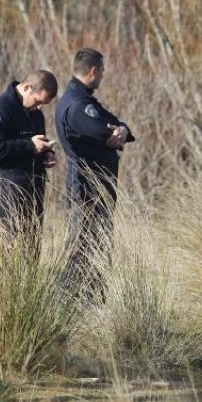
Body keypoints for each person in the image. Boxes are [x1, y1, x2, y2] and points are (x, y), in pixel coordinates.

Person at [55, 48, 135, 294]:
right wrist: (117, 133)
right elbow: (105, 132)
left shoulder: (83, 100)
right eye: (101, 72)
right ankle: (69, 301)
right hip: (88, 188)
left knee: (97, 243)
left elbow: (116, 124)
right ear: (93, 71)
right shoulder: (78, 106)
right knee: (84, 246)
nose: (102, 77)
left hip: (97, 188)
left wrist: (122, 129)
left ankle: (92, 300)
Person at [0, 70, 58, 258]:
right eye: (38, 101)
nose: (39, 107)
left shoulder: (35, 114)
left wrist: (47, 154)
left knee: (31, 252)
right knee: (11, 252)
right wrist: (30, 146)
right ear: (27, 87)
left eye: (43, 104)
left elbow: (38, 143)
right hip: (8, 194)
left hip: (34, 192)